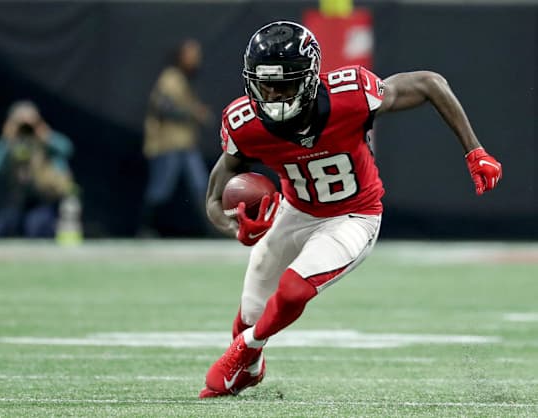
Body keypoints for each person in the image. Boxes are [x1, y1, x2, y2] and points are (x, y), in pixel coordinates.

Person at [199, 21, 502, 398]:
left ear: (310, 78)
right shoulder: (245, 124)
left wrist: (474, 150)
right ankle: (249, 370)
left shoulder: (352, 95)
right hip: (295, 212)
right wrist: (236, 228)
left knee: (293, 291)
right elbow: (213, 200)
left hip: (353, 216)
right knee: (249, 311)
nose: (274, 96)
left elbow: (430, 83)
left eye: (285, 85)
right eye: (266, 85)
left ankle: (247, 349)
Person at [139, 39, 213, 236]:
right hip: (167, 144)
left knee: (200, 185)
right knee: (160, 188)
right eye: (192, 55)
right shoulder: (171, 78)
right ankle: (147, 227)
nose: (196, 59)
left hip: (185, 143)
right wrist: (192, 113)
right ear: (181, 56)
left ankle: (213, 228)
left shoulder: (184, 80)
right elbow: (162, 106)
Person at [0, 100, 76, 238]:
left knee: (36, 226)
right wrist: (7, 139)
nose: (25, 128)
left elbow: (67, 149)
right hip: (21, 202)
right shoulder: (12, 143)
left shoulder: (45, 142)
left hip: (46, 201)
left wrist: (45, 135)